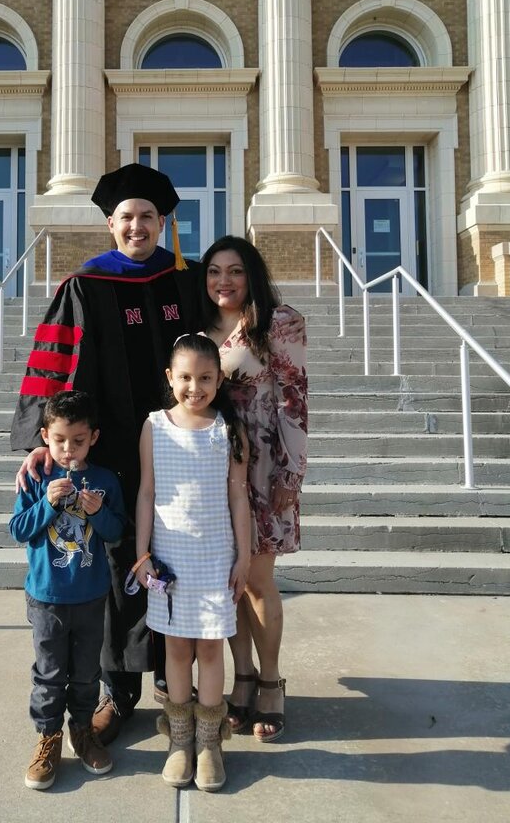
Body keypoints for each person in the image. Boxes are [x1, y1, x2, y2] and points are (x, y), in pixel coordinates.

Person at [11, 163, 201, 742]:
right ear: (111, 225)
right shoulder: (86, 285)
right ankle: (118, 694)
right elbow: (56, 371)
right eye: (126, 218)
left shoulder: (187, 281)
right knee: (118, 567)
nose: (137, 227)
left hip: (179, 449)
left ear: (162, 221)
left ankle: (178, 690)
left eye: (147, 217)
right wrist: (41, 445)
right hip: (110, 453)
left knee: (180, 560)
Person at [201, 235, 308, 744]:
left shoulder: (279, 322)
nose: (224, 281)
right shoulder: (198, 329)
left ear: (253, 276)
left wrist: (292, 472)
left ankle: (270, 681)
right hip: (213, 468)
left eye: (236, 271)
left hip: (264, 467)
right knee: (231, 580)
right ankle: (240, 677)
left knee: (259, 579)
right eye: (215, 271)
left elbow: (294, 400)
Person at [134, 334, 251, 792]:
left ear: (219, 380)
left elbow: (238, 497)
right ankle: (179, 740)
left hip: (216, 558)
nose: (195, 387)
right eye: (185, 377)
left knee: (210, 649)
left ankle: (209, 742)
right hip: (169, 561)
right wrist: (142, 554)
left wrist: (243, 556)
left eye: (205, 378)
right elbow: (146, 492)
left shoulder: (228, 430)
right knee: (177, 650)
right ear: (170, 377)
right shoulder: (154, 426)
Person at [9, 390, 126, 790]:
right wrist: (46, 504)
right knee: (49, 672)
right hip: (46, 596)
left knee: (86, 672)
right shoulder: (36, 477)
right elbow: (18, 530)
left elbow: (116, 533)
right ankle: (47, 737)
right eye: (59, 440)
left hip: (91, 595)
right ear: (45, 436)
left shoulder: (105, 480)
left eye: (77, 441)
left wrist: (98, 511)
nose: (68, 449)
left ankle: (82, 731)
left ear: (93, 437)